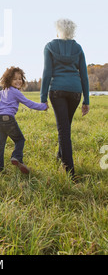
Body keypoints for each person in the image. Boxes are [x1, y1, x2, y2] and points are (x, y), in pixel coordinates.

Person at [40, 19, 90, 179]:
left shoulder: (49, 46)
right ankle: (60, 156)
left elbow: (47, 73)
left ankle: (70, 172)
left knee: (63, 130)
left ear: (58, 30)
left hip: (57, 91)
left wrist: (43, 98)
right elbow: (84, 75)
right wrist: (86, 100)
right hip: (76, 91)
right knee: (66, 126)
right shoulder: (78, 48)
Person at [0, 66, 48, 174]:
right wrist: (43, 106)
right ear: (8, 80)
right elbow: (29, 103)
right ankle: (17, 157)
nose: (18, 81)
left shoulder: (4, 91)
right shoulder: (15, 92)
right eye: (15, 79)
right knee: (20, 140)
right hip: (8, 119)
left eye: (20, 78)